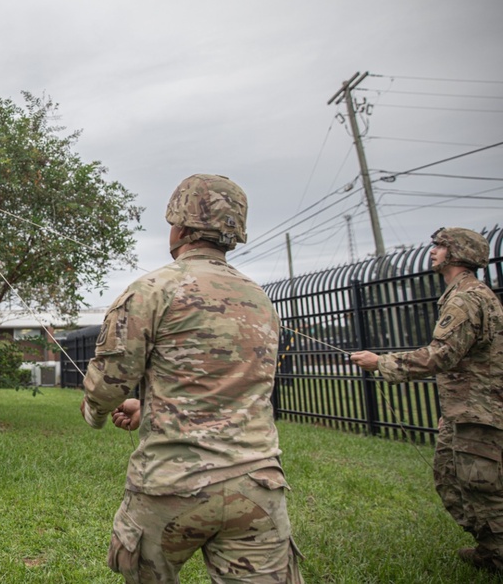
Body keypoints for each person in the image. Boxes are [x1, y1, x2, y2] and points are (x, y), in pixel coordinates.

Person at [81, 173, 303, 584]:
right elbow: (230, 387)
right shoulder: (259, 298)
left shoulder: (152, 290)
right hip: (257, 486)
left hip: (171, 486)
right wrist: (146, 405)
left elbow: (109, 381)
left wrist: (94, 413)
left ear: (180, 226)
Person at [350, 227, 502, 573]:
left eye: (439, 246)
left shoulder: (466, 299)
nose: (433, 251)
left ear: (457, 253)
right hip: (465, 411)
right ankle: (491, 549)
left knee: (483, 488)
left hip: (480, 412)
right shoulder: (461, 294)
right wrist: (450, 414)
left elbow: (442, 355)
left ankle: (498, 553)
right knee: (450, 479)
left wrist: (381, 363)